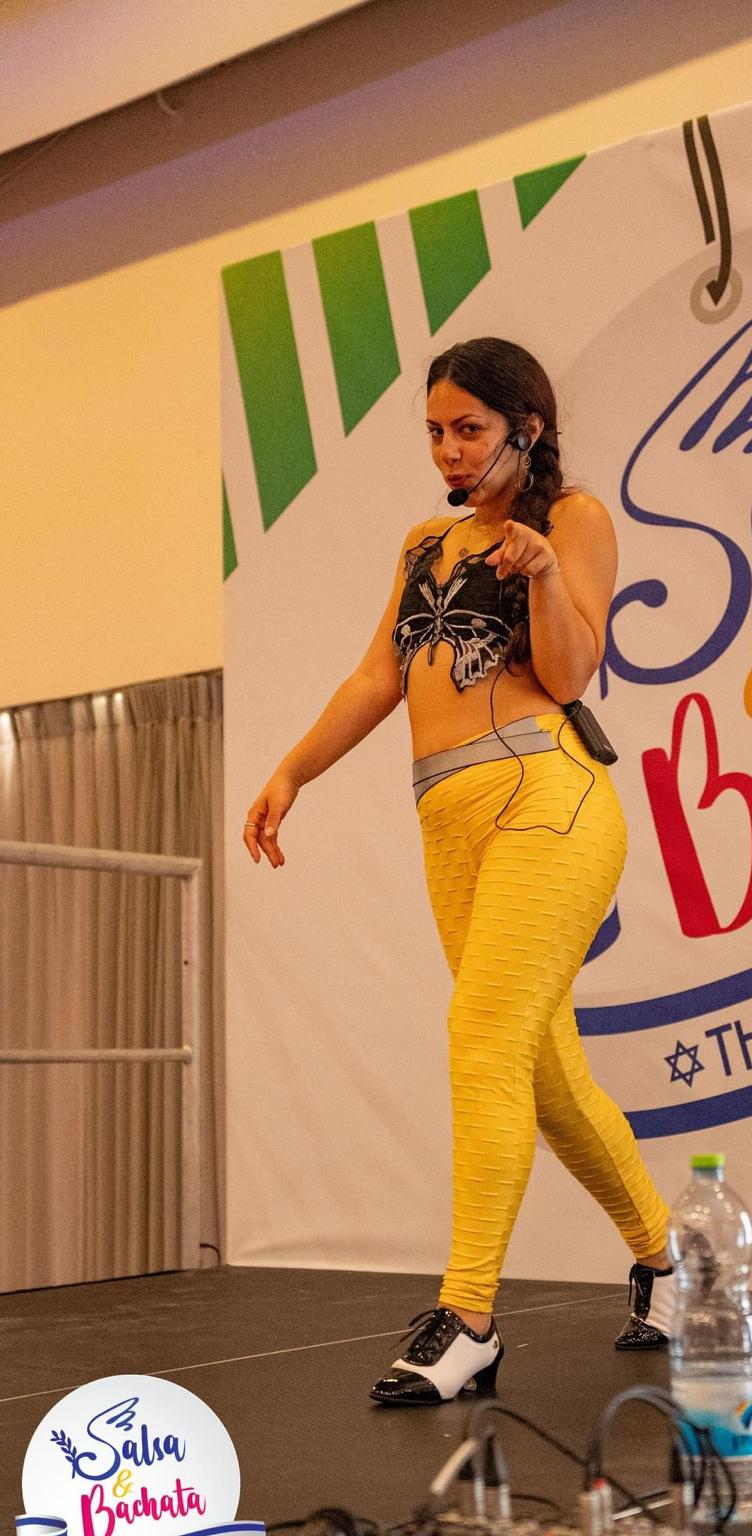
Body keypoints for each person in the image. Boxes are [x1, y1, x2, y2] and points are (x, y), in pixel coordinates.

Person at [243, 337, 677, 1406]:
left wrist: (542, 573)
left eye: (469, 428)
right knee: (545, 1075)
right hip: (450, 820)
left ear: (526, 427)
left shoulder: (572, 520)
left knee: (481, 1035)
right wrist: (292, 769)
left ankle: (470, 1317)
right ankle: (670, 1262)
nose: (448, 449)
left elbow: (570, 671)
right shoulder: (423, 544)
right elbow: (377, 675)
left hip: (548, 797)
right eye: (436, 431)